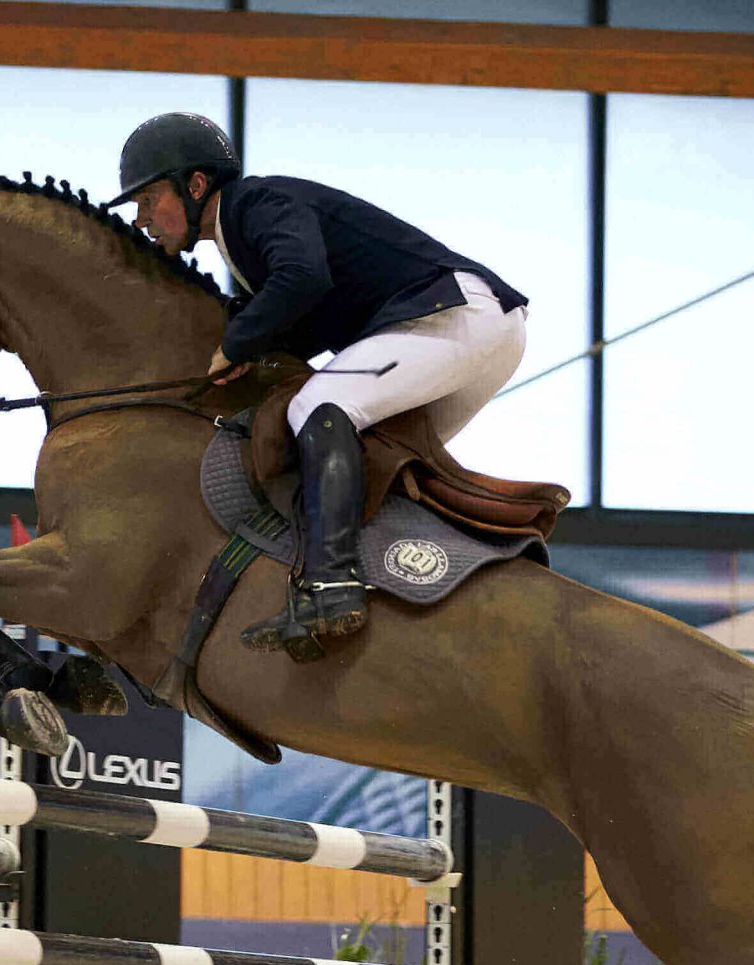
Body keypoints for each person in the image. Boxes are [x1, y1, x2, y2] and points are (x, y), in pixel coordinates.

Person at [110, 112, 529, 655]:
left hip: (453, 317)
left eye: (147, 201)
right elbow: (309, 316)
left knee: (319, 405)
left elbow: (303, 278)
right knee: (381, 460)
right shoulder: (241, 243)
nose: (143, 220)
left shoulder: (255, 204)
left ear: (195, 186)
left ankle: (331, 587)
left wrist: (235, 345)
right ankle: (396, 588)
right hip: (476, 330)